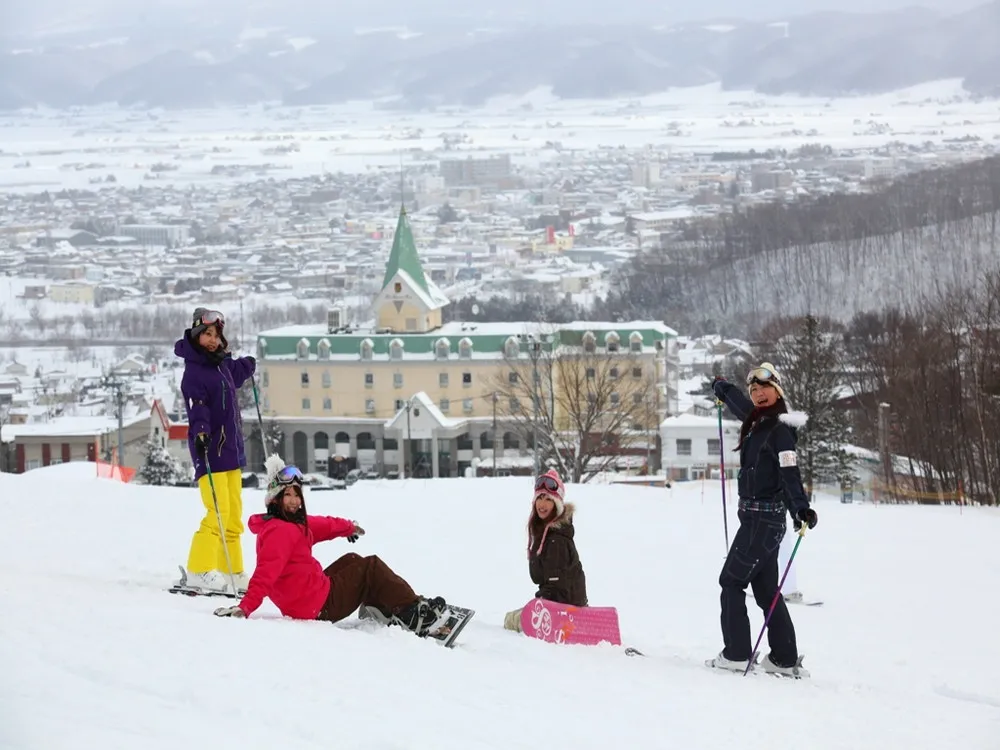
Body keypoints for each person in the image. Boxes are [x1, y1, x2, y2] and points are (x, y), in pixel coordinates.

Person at [213, 457, 453, 638]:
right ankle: (415, 615)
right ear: (275, 499)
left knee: (352, 559)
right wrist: (245, 607)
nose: (295, 500)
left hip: (307, 597)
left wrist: (348, 527)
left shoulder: (289, 524)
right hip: (317, 606)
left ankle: (381, 608)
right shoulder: (281, 531)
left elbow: (321, 525)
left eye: (297, 494)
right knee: (371, 567)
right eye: (288, 494)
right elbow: (265, 573)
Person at [708, 363, 818, 677]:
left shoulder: (779, 431)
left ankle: (737, 654)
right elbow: (742, 405)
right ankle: (783, 659)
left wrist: (800, 508)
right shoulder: (760, 421)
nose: (758, 394)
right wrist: (723, 388)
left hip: (761, 522)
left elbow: (790, 474)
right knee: (767, 590)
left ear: (777, 390)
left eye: (764, 388)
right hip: (763, 524)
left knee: (730, 581)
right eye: (754, 390)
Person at [174, 308, 256, 595]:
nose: (212, 339)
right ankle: (199, 569)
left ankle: (230, 570)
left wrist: (249, 364)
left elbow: (237, 372)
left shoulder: (221, 365)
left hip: (231, 452)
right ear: (197, 336)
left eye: (216, 335)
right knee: (217, 512)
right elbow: (199, 409)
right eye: (207, 334)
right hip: (209, 451)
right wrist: (200, 434)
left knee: (233, 515)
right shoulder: (194, 372)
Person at [503, 469, 588, 632]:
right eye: (539, 498)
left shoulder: (556, 540)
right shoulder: (545, 532)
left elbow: (556, 586)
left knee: (510, 621)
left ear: (556, 505)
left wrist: (537, 606)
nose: (542, 504)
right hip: (558, 601)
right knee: (512, 618)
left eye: (548, 499)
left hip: (563, 606)